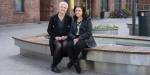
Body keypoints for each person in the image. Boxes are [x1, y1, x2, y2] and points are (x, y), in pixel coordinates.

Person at [68, 6, 97, 74]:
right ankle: (75, 62)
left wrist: (79, 38)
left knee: (77, 45)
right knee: (68, 45)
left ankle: (73, 62)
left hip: (86, 38)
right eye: (76, 11)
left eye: (79, 10)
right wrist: (74, 38)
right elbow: (69, 32)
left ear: (82, 12)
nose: (77, 12)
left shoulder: (87, 19)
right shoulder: (73, 20)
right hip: (75, 37)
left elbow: (89, 33)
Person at [47, 2, 72, 73]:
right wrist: (55, 37)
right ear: (59, 7)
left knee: (64, 46)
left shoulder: (69, 18)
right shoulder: (53, 18)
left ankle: (54, 65)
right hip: (55, 38)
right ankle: (54, 66)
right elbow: (49, 30)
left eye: (65, 7)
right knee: (59, 46)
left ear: (66, 9)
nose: (63, 8)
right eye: (61, 7)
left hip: (65, 38)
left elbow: (71, 30)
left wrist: (66, 36)